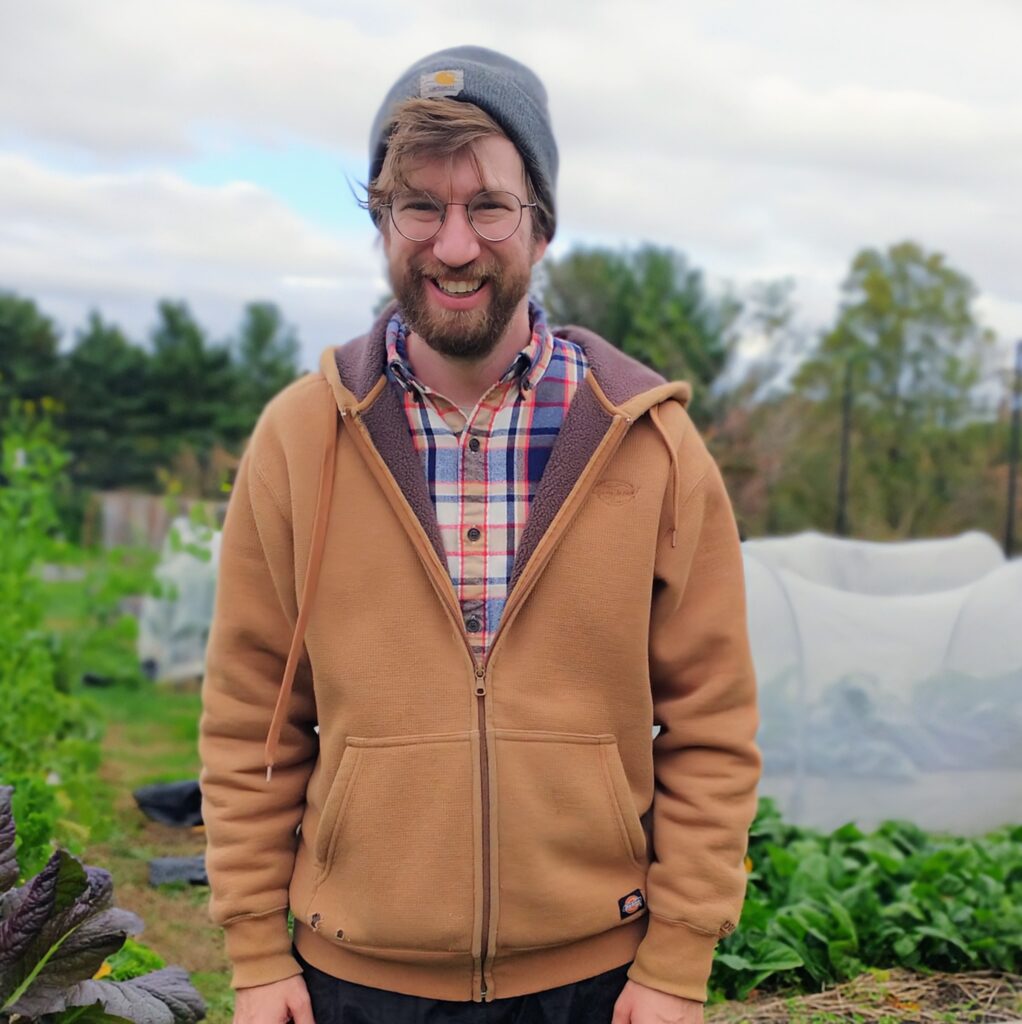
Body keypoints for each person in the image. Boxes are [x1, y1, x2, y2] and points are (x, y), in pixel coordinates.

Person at [199, 45, 761, 1024]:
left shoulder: (652, 444)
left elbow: (711, 729)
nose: (453, 245)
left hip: (595, 983)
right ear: (381, 222)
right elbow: (251, 717)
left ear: (539, 225)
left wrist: (674, 963)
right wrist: (255, 953)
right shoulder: (301, 437)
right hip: (355, 980)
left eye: (487, 207)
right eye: (418, 205)